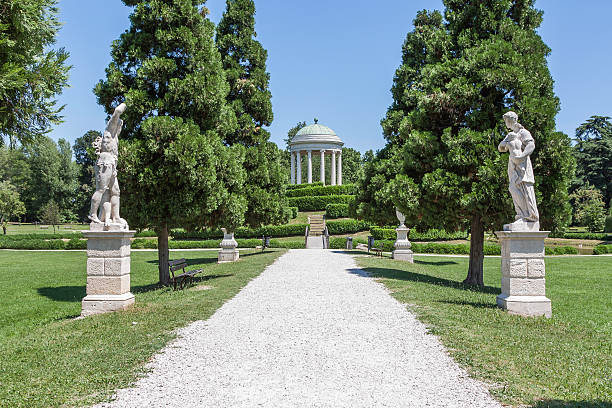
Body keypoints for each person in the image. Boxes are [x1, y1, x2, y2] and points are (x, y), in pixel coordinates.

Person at [88, 103, 128, 228]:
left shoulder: (115, 137)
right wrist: (125, 105)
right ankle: (93, 214)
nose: (120, 125)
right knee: (102, 190)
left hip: (112, 163)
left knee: (116, 191)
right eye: (119, 124)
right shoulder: (109, 131)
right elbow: (117, 112)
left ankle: (116, 217)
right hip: (105, 161)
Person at [498, 111, 539, 230]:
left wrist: (522, 156)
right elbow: (501, 148)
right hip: (513, 165)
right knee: (513, 188)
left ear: (511, 120)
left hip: (523, 164)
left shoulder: (523, 132)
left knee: (526, 189)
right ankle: (521, 215)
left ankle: (531, 216)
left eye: (506, 120)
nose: (505, 123)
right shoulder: (510, 134)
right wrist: (505, 142)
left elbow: (531, 145)